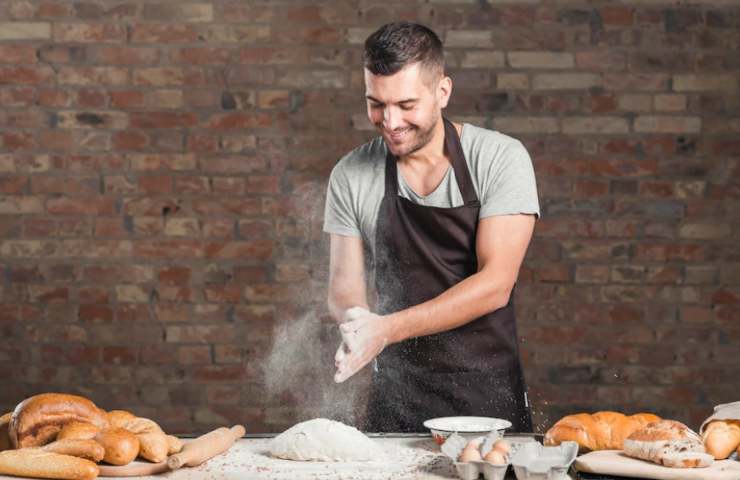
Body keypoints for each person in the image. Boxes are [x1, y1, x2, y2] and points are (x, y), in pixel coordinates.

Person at [323, 22, 540, 433]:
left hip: (485, 395)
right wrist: (358, 327)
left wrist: (385, 329)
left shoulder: (498, 159)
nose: (390, 121)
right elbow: (343, 289)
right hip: (396, 398)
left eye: (406, 104)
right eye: (376, 104)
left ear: (442, 91)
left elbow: (495, 284)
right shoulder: (351, 174)